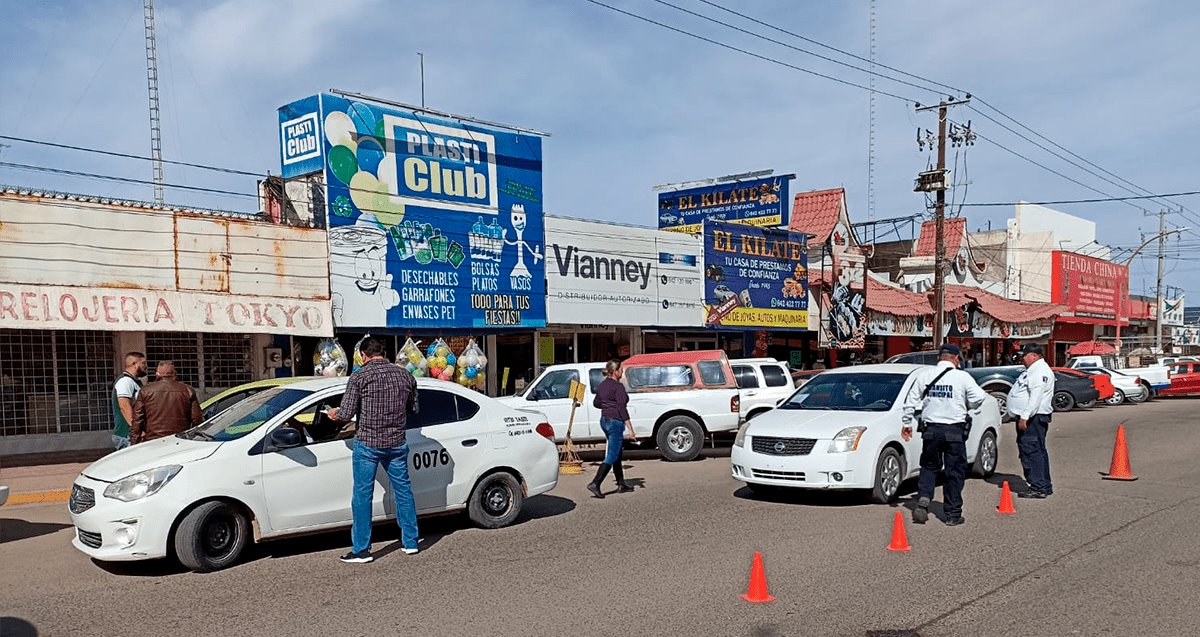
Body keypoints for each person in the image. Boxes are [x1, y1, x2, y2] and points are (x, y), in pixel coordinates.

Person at [326, 337, 419, 564]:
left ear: (363, 355)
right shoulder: (405, 375)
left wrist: (333, 413)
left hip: (368, 443)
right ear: (383, 352)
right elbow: (413, 409)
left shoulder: (360, 376)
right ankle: (411, 542)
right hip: (396, 443)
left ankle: (361, 550)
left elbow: (346, 414)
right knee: (404, 491)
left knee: (362, 495)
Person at [901, 343, 988, 526]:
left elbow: (911, 401)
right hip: (954, 430)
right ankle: (952, 514)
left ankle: (924, 499)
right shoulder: (962, 377)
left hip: (931, 430)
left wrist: (907, 422)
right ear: (956, 358)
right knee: (954, 472)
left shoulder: (924, 376)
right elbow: (979, 397)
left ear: (939, 357)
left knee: (929, 466)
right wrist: (968, 406)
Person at [1007, 343, 1055, 499]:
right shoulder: (1034, 370)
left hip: (1032, 418)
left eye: (1025, 355)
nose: (1022, 358)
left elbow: (1035, 396)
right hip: (1033, 416)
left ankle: (1038, 487)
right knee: (1037, 451)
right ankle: (1043, 485)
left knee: (1031, 451)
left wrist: (1025, 416)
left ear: (1034, 355)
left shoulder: (1038, 371)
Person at [588, 359, 637, 499]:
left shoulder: (602, 385)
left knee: (616, 452)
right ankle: (595, 483)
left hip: (604, 420)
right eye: (621, 370)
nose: (622, 372)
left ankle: (621, 483)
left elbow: (597, 402)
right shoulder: (618, 387)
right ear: (615, 372)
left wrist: (607, 406)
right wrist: (630, 429)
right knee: (612, 455)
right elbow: (622, 408)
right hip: (615, 422)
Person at [131, 361, 202, 445]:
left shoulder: (146, 390)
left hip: (153, 440)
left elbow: (137, 419)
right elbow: (197, 418)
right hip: (180, 440)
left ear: (157, 374)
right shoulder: (188, 390)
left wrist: (135, 441)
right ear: (174, 373)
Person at [112, 352, 147, 450]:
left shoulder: (135, 382)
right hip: (127, 436)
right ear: (135, 364)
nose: (146, 366)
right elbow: (124, 406)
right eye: (143, 363)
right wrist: (136, 429)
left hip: (132, 434)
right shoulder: (125, 381)